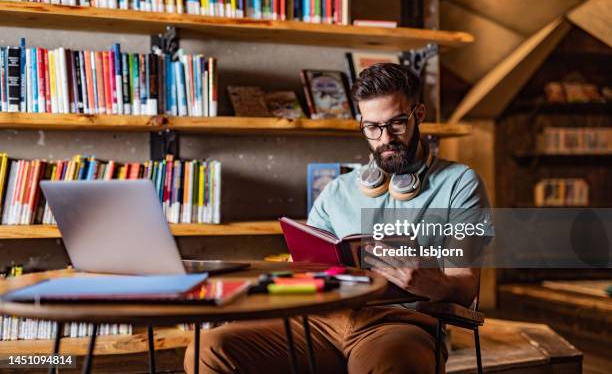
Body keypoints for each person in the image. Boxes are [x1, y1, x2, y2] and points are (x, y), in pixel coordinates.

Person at [184, 63, 491, 374]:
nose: (384, 139)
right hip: (319, 321)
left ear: (419, 114)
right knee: (208, 350)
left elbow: (466, 286)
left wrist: (432, 282)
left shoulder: (459, 183)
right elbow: (305, 270)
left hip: (399, 322)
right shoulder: (338, 190)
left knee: (392, 365)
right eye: (371, 127)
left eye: (396, 123)